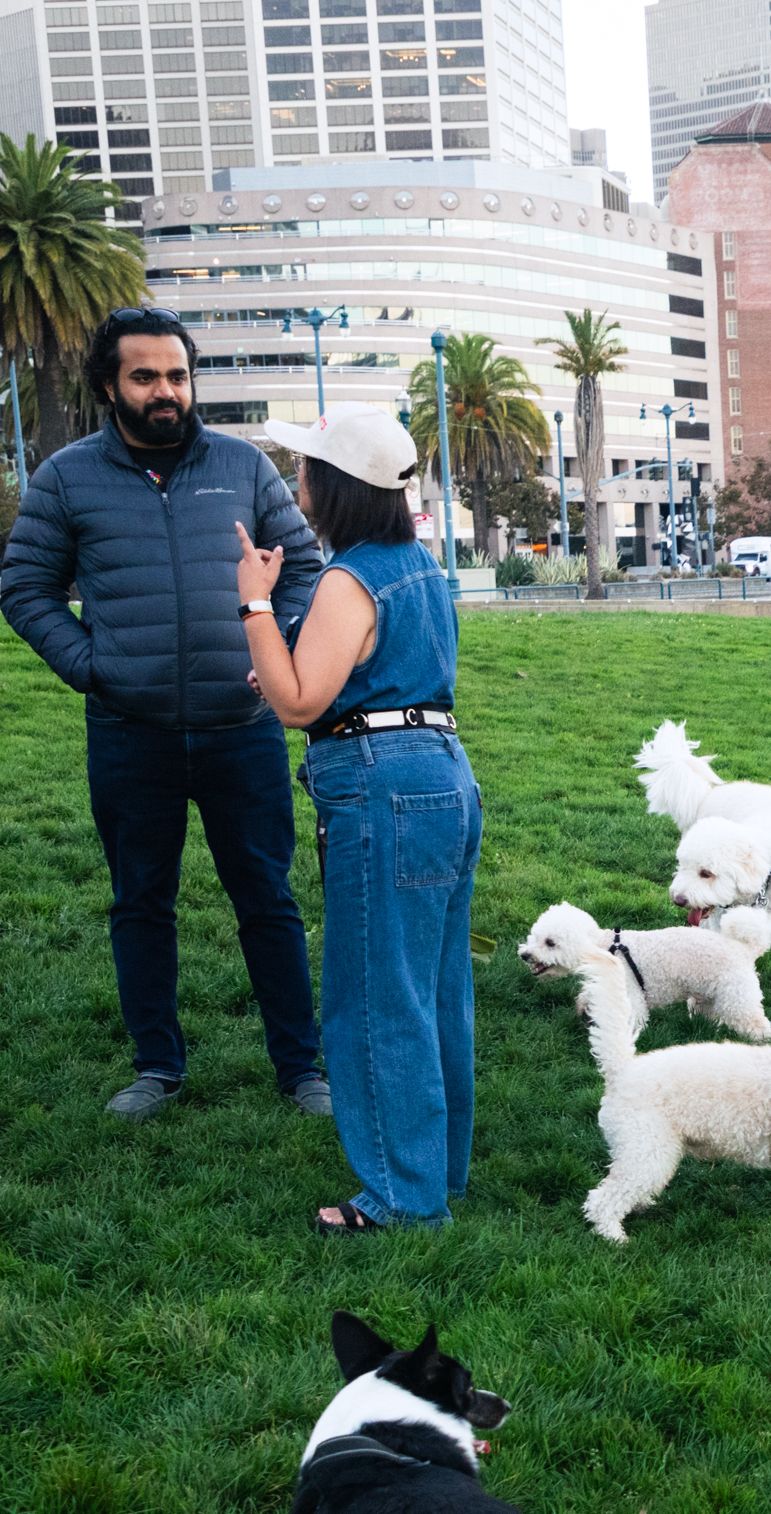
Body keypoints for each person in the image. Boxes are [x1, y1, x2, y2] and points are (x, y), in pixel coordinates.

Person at [3, 306, 331, 1124]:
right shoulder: (68, 477)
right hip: (129, 734)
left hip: (241, 730)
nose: (165, 391)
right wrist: (92, 669)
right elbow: (26, 590)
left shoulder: (243, 466)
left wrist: (278, 657)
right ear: (108, 385)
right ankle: (157, 1066)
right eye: (144, 376)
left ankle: (302, 1068)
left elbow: (303, 570)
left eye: (177, 376)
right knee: (140, 902)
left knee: (267, 898)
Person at [235, 404, 481, 1233]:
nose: (296, 479)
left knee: (376, 994)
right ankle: (437, 1172)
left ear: (332, 485)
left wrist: (256, 606)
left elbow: (300, 702)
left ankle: (405, 1201)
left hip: (382, 785)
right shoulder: (419, 566)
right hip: (442, 773)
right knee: (436, 987)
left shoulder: (349, 579)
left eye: (306, 466)